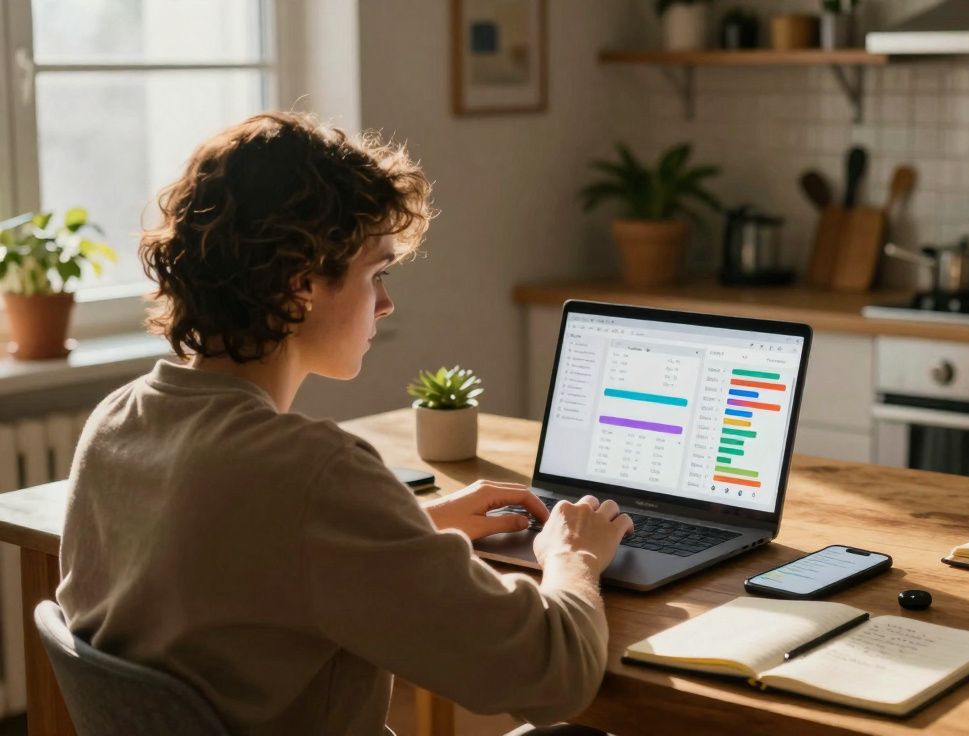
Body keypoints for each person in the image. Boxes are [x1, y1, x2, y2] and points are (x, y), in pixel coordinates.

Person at [56, 111, 633, 735]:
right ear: (301, 284)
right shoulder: (311, 474)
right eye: (376, 274)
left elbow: (241, 565)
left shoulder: (116, 423)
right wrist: (574, 555)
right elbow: (554, 676)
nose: (386, 304)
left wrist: (408, 529)